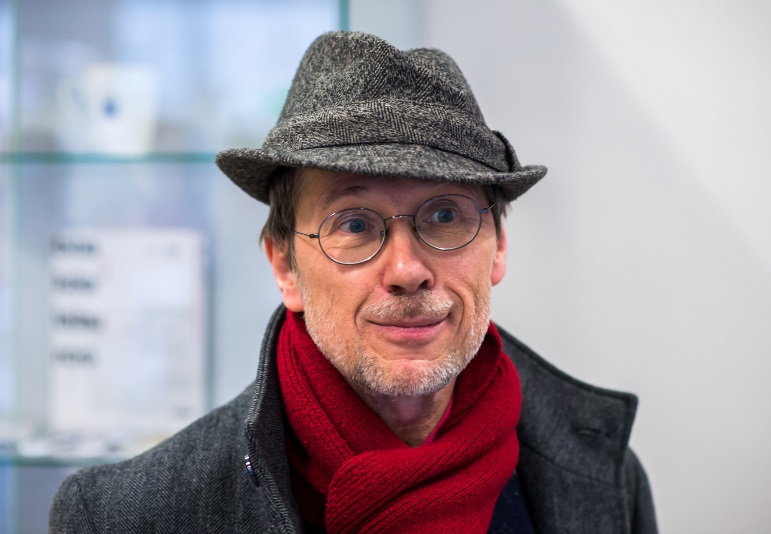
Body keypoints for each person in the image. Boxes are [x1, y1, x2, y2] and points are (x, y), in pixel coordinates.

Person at [49, 31, 657, 533]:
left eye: (445, 216)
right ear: (285, 266)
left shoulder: (604, 479)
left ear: (498, 246)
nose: (407, 271)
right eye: (356, 225)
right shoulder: (127, 518)